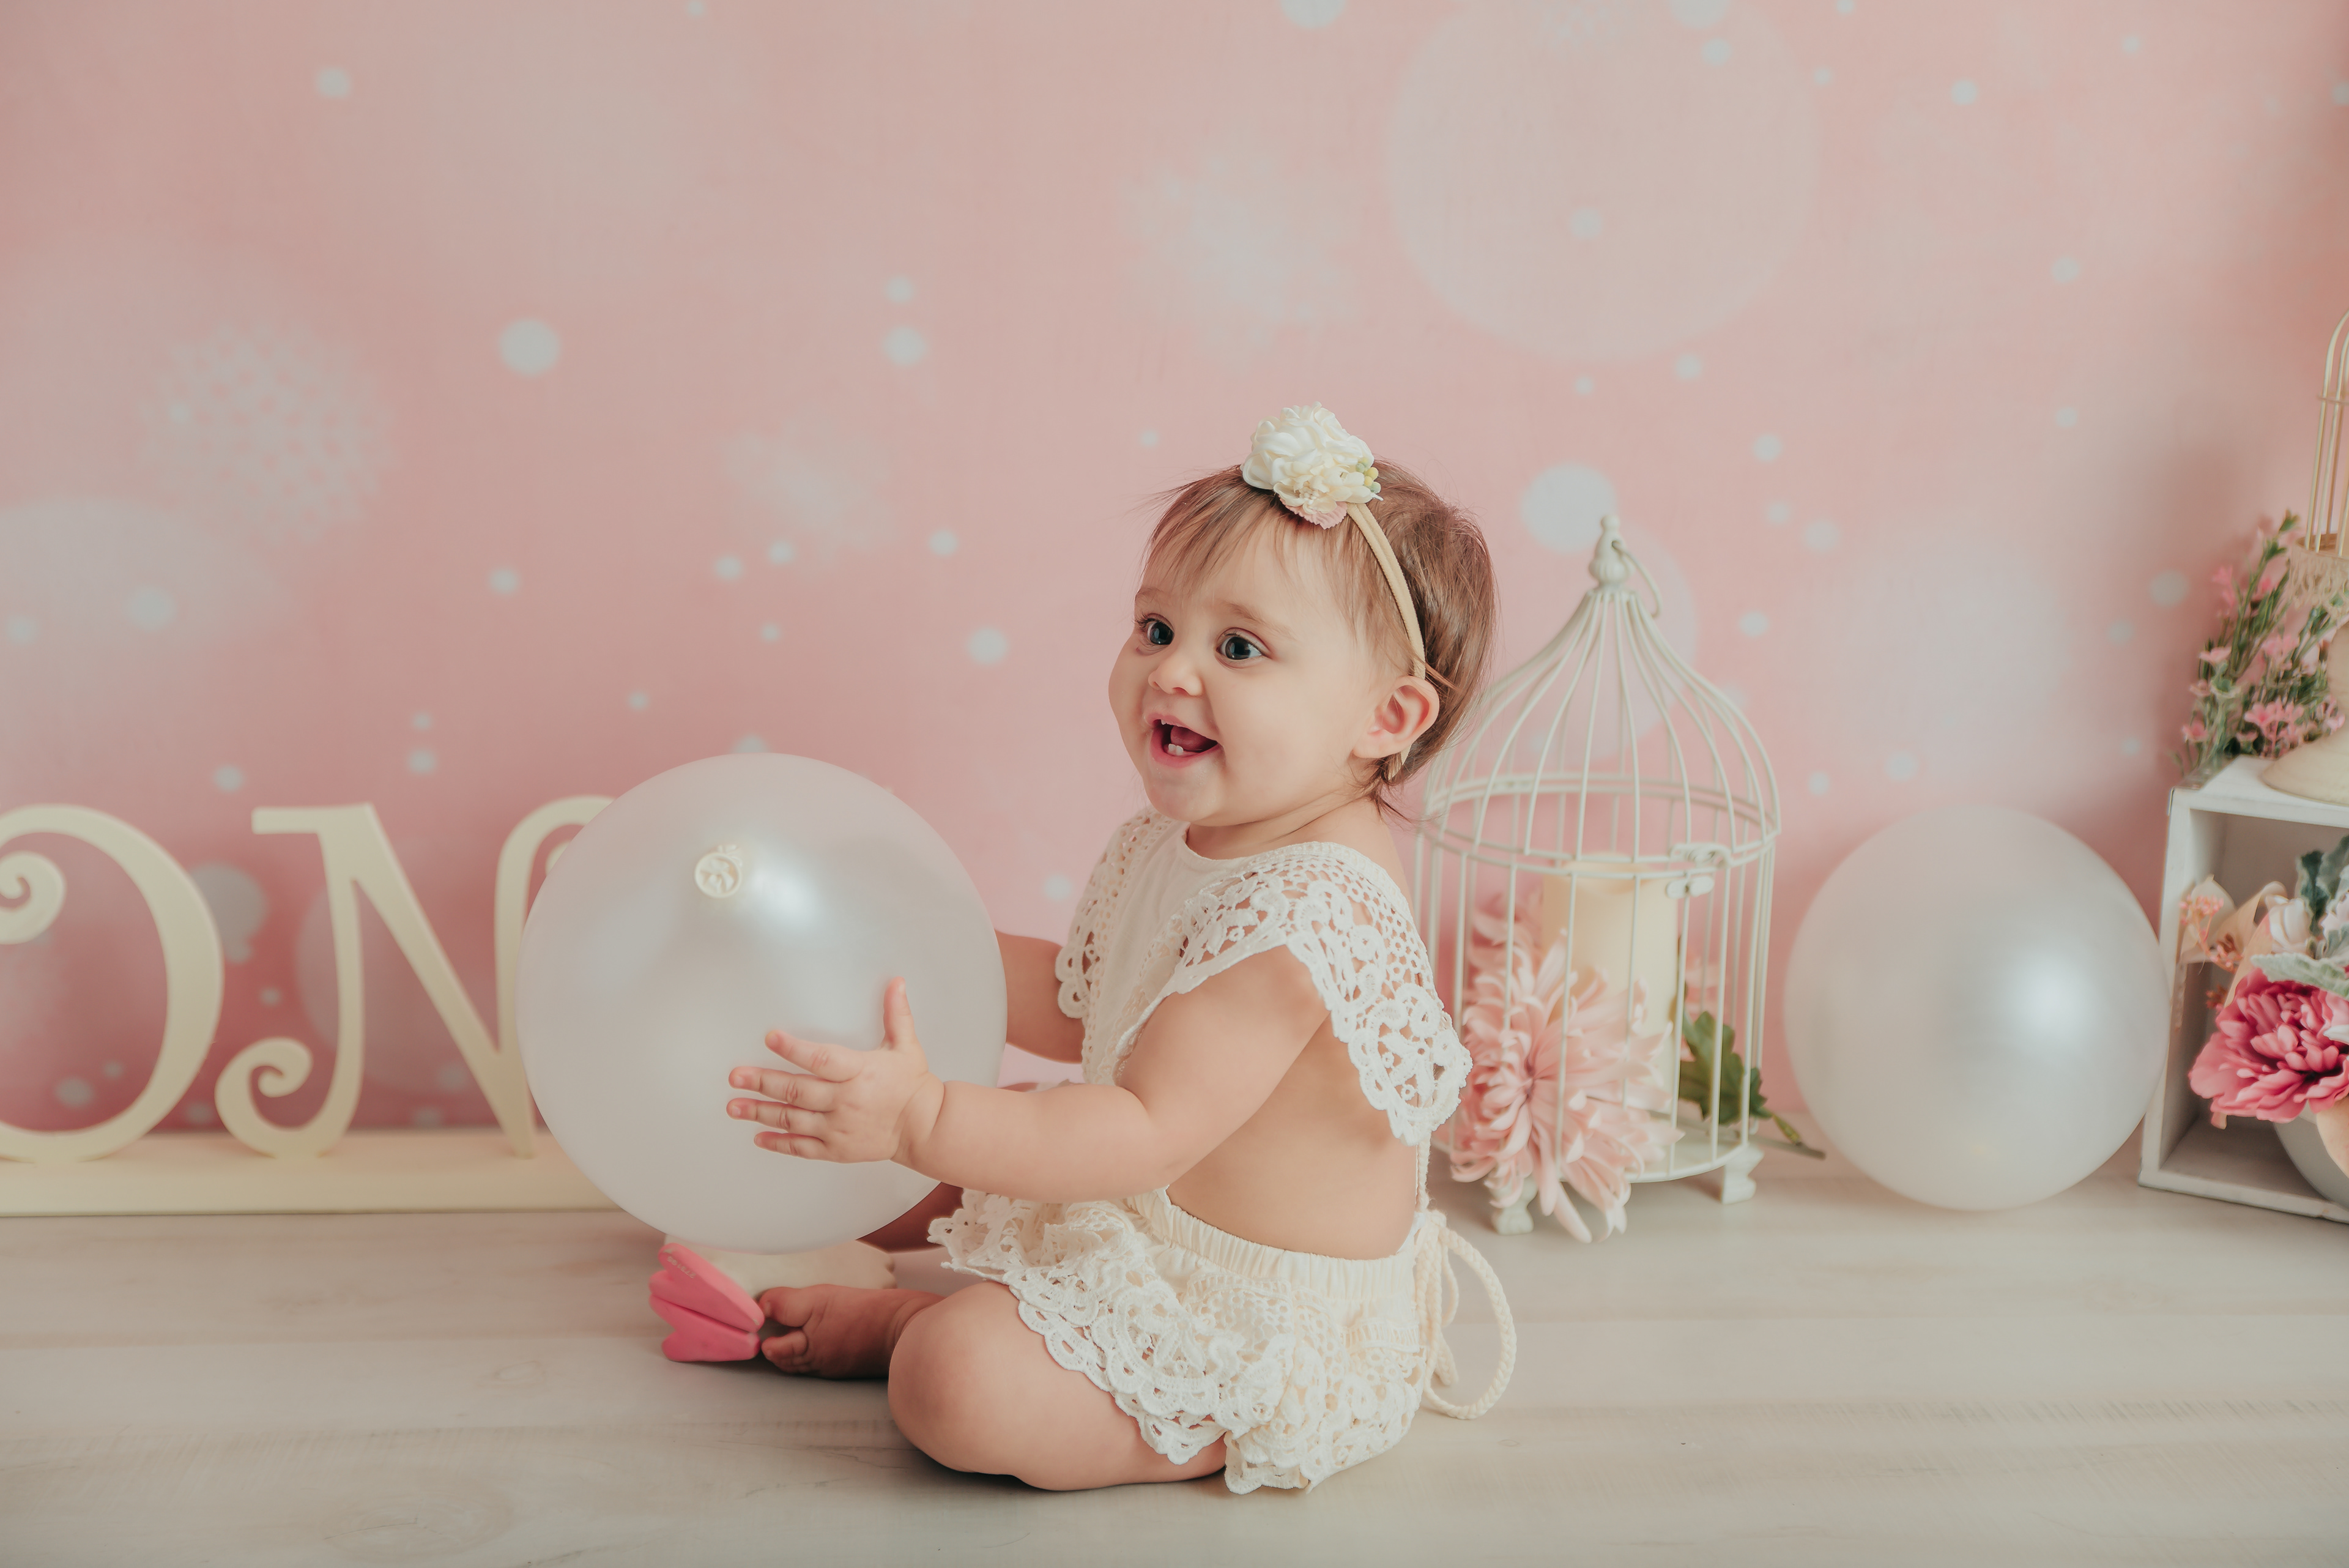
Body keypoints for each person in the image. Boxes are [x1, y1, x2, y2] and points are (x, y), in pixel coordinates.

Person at [723, 404, 1513, 1493]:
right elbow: (1085, 1004)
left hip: (1244, 1306)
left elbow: (1143, 1130)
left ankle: (926, 1328)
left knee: (954, 1377)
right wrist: (922, 948)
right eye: (1156, 628)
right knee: (943, 1155)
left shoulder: (1309, 915)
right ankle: (856, 1239)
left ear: (1386, 718)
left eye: (1238, 648)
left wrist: (919, 1117)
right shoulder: (1184, 837)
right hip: (1146, 1216)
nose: (1172, 671)